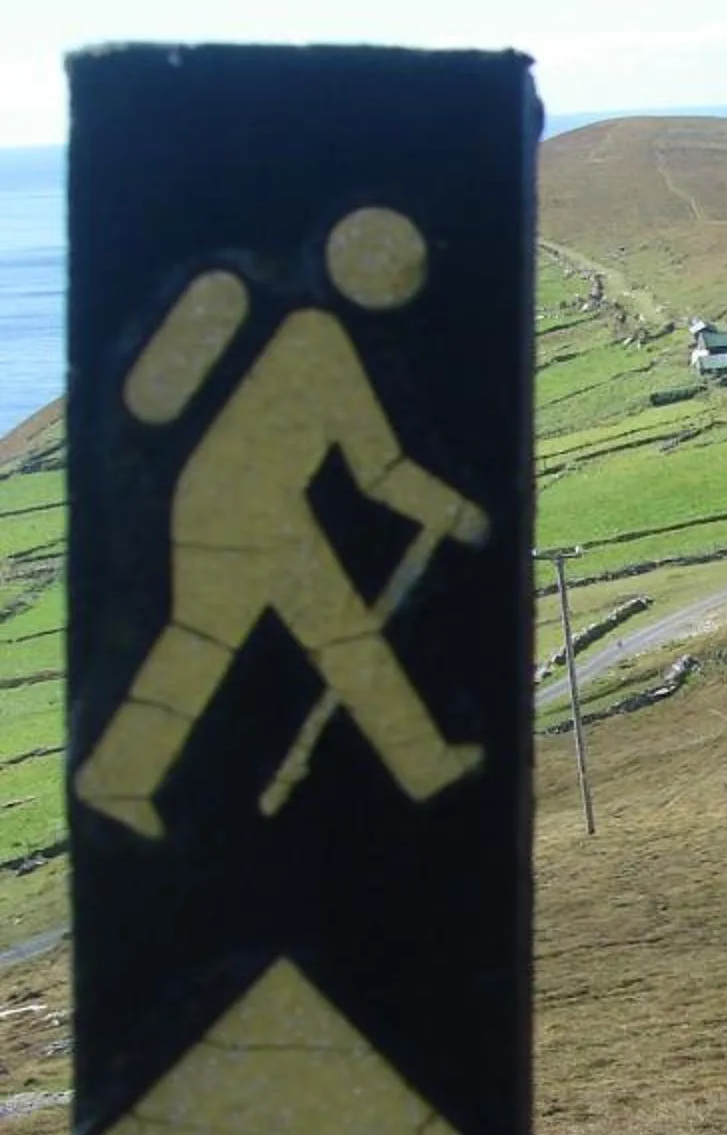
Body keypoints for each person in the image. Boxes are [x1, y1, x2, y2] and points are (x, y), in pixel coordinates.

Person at [76, 207, 489, 838]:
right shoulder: (320, 340)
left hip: (235, 502)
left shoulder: (313, 332)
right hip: (246, 509)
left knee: (237, 642)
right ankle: (423, 766)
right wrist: (456, 514)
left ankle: (119, 776)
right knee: (332, 640)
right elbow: (379, 469)